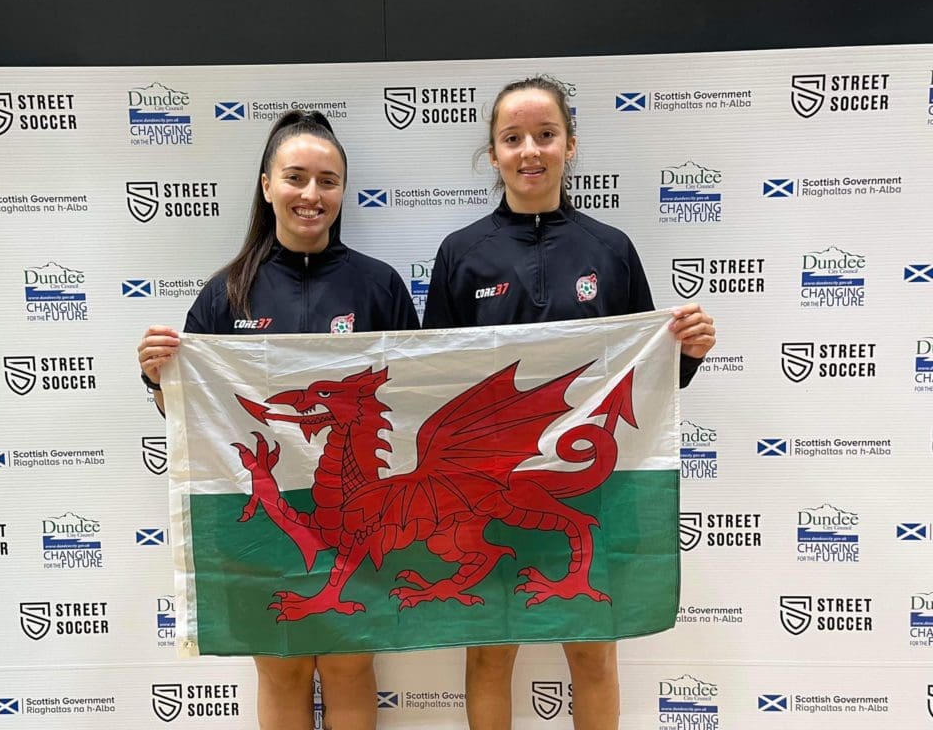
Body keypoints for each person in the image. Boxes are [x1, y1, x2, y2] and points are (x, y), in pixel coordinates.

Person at [422, 76, 716, 730]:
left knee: (591, 653)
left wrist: (686, 353)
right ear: (493, 153)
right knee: (491, 656)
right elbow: (431, 383)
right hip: (488, 489)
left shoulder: (610, 250)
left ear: (570, 145)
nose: (531, 150)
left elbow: (642, 380)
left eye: (545, 135)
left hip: (592, 487)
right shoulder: (460, 254)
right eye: (513, 137)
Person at [137, 110, 419, 730]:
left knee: (348, 665)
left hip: (357, 509)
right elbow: (188, 414)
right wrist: (161, 377)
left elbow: (417, 395)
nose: (311, 195)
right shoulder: (225, 294)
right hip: (268, 514)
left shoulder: (381, 287)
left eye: (328, 180)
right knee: (282, 666)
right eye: (296, 178)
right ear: (267, 185)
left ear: (344, 191)